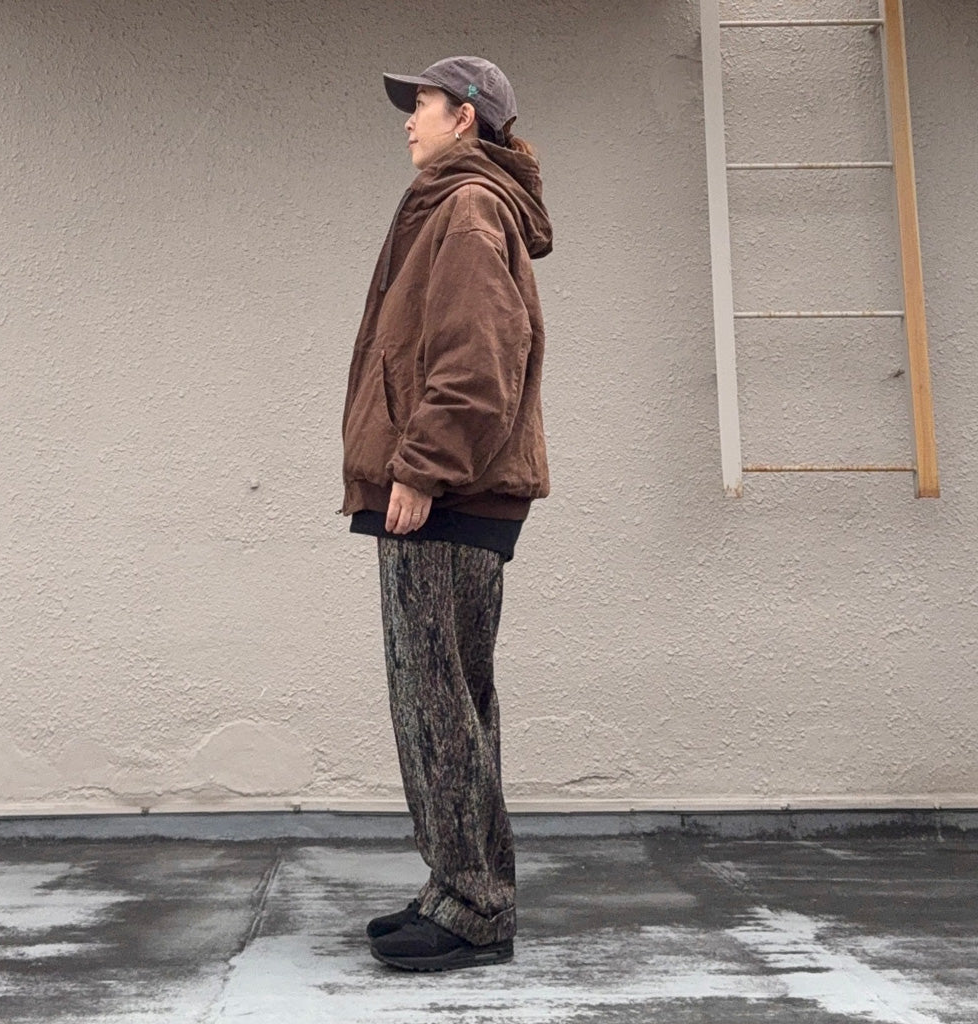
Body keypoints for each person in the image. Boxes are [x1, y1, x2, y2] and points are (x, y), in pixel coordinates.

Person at [341, 55, 552, 972]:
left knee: (438, 703)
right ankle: (457, 887)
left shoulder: (466, 207)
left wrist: (423, 469)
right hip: (452, 490)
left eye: (421, 105)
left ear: (465, 118)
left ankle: (473, 905)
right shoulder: (457, 205)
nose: (408, 120)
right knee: (452, 700)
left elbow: (479, 358)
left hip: (447, 492)